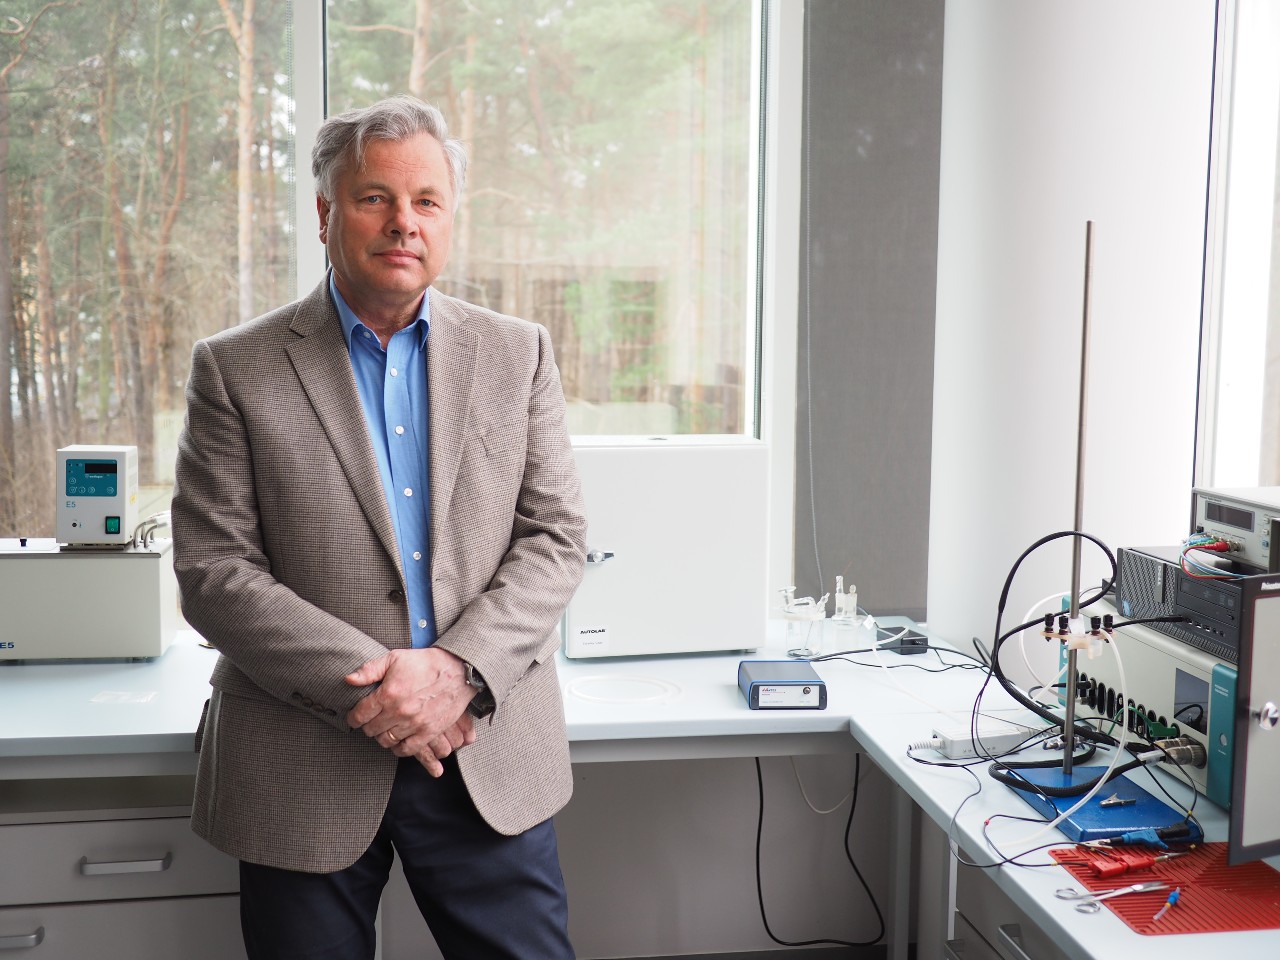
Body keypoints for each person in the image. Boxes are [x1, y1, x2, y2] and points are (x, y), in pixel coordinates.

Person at [171, 95, 586, 960]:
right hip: (302, 756)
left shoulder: (518, 353)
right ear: (327, 214)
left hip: (483, 744)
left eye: (427, 201)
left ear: (450, 217)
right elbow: (215, 572)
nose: (404, 222)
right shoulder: (236, 368)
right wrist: (383, 691)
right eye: (375, 198)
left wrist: (457, 672)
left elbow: (553, 537)